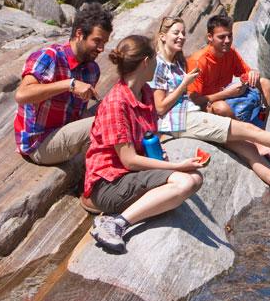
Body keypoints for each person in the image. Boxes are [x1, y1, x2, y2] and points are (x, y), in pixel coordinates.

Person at [151, 16, 270, 198]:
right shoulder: (160, 64)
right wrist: (185, 85)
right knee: (251, 132)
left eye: (183, 33)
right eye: (176, 33)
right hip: (183, 121)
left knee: (249, 151)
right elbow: (159, 108)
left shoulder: (176, 62)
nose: (182, 37)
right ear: (162, 36)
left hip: (190, 118)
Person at [83, 35, 205, 254]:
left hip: (131, 175)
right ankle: (115, 224)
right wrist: (176, 166)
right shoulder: (116, 103)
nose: (158, 63)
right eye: (156, 59)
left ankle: (122, 217)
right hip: (108, 183)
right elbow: (129, 160)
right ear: (146, 62)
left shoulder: (146, 93)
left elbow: (148, 138)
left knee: (195, 178)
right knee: (184, 181)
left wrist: (161, 157)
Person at [14, 2, 113, 165]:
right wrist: (69, 84)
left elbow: (78, 114)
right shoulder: (49, 57)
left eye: (105, 43)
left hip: (66, 132)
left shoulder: (92, 69)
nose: (101, 48)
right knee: (107, 122)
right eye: (97, 41)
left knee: (115, 110)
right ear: (79, 34)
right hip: (39, 144)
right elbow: (22, 95)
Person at [187, 13, 270, 123]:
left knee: (265, 83)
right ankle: (244, 131)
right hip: (207, 106)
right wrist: (227, 93)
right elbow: (193, 101)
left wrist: (253, 72)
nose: (227, 41)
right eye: (221, 37)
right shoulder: (198, 62)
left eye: (230, 36)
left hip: (226, 98)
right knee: (220, 108)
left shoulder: (230, 53)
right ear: (210, 37)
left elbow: (246, 73)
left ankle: (262, 125)